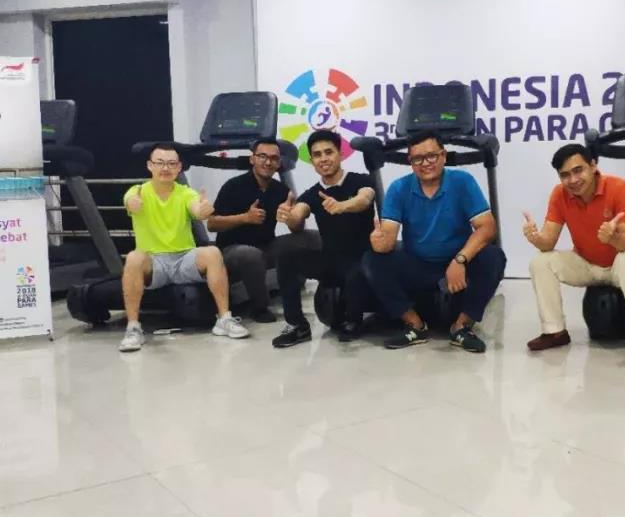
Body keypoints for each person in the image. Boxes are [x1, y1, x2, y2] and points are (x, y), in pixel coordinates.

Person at [523, 142, 625, 369]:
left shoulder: (620, 188)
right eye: (565, 175)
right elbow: (548, 242)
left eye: (578, 170)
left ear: (593, 166)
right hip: (586, 264)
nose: (573, 180)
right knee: (540, 261)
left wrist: (612, 238)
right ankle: (555, 332)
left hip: (619, 263)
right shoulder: (560, 194)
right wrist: (535, 238)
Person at [364, 131, 506, 352]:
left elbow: (487, 227)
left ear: (443, 156)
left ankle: (461, 327)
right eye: (418, 159)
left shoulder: (463, 182)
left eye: (431, 156)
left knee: (494, 256)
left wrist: (460, 260)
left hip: (457, 261)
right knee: (373, 259)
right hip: (418, 264)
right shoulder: (399, 188)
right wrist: (379, 243)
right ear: (411, 162)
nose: (425, 163)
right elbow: (388, 240)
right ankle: (415, 325)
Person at [119, 143, 248, 352]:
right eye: (160, 163)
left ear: (179, 167)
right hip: (154, 262)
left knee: (212, 252)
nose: (165, 168)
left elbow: (196, 208)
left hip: (183, 259)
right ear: (150, 165)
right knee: (134, 257)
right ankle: (133, 328)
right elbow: (130, 201)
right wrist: (132, 204)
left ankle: (224, 319)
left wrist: (203, 210)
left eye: (171, 163)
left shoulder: (186, 192)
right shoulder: (138, 191)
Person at [271, 130, 376, 348]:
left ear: (340, 154)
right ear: (312, 161)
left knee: (357, 271)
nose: (324, 158)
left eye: (329, 152)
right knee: (287, 258)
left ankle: (354, 321)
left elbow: (364, 199)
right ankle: (297, 325)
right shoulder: (313, 193)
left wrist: (342, 206)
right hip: (331, 260)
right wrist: (289, 216)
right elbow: (298, 217)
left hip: (362, 258)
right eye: (317, 155)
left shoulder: (361, 180)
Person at [208, 137, 320, 322]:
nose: (268, 162)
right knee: (250, 255)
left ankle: (330, 290)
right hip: (232, 250)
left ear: (279, 162)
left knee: (312, 237)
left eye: (274, 158)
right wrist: (244, 218)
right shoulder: (233, 186)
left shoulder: (281, 190)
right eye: (262, 156)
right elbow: (212, 224)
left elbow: (296, 229)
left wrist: (292, 218)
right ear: (252, 159)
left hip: (266, 246)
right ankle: (259, 308)